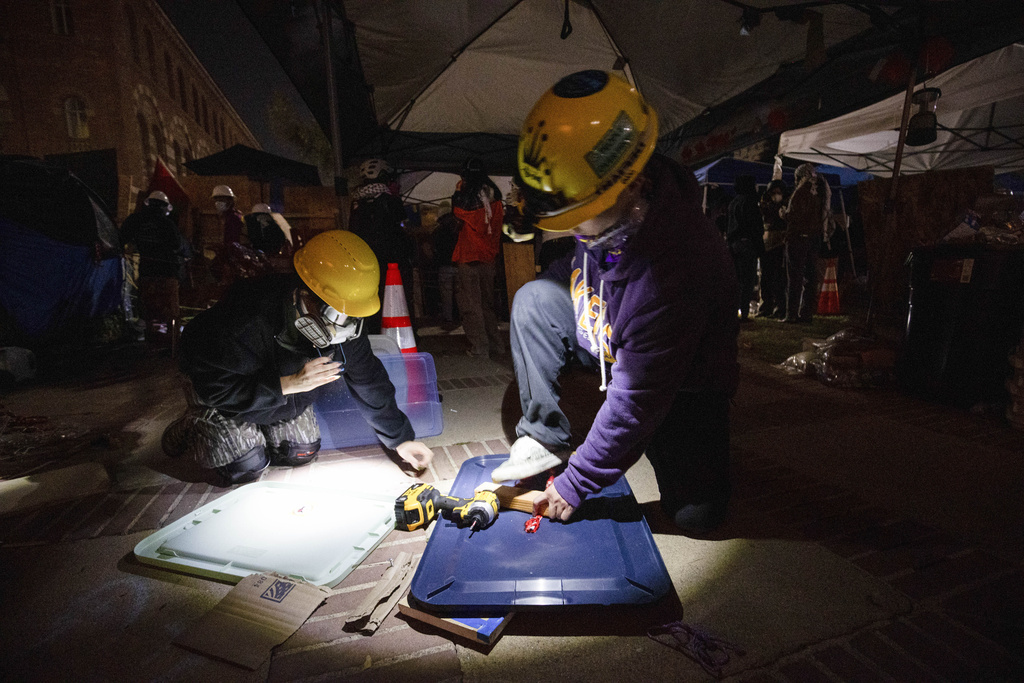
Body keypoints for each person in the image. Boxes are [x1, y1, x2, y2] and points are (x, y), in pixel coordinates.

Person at [498, 70, 739, 535]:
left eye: (579, 218)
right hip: (619, 339)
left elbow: (636, 401)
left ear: (631, 190)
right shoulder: (613, 206)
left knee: (698, 518)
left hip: (685, 385)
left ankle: (661, 441)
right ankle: (545, 434)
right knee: (534, 299)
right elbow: (576, 265)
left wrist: (577, 481)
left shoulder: (677, 268)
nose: (573, 229)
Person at [162, 230, 434, 486]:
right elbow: (216, 387)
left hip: (279, 394)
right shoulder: (246, 319)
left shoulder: (347, 326)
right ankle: (190, 425)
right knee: (244, 464)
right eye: (337, 314)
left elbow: (368, 380)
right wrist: (288, 384)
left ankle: (259, 432)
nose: (345, 327)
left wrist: (400, 439)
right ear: (305, 296)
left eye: (355, 316)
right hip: (217, 388)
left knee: (299, 451)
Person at [349, 158, 415, 335]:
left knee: (372, 303)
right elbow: (404, 230)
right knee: (400, 301)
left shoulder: (357, 203)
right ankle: (406, 337)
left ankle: (374, 335)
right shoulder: (390, 201)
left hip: (367, 265)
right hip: (393, 264)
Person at [451, 158, 504, 357]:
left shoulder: (465, 195)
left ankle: (479, 347)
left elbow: (457, 215)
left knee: (470, 304)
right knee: (487, 304)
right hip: (488, 255)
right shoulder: (494, 194)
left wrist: (457, 192)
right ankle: (496, 345)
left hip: (469, 254)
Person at [120, 191, 188, 343]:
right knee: (169, 308)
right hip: (167, 273)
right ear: (165, 207)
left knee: (148, 305)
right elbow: (177, 245)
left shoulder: (136, 220)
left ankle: (149, 338)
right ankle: (172, 342)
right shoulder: (167, 224)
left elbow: (122, 237)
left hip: (146, 271)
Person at [782, 164, 830, 324]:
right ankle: (807, 313)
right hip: (814, 238)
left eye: (796, 177)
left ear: (801, 176)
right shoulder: (821, 190)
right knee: (811, 278)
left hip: (798, 239)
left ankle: (791, 314)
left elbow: (796, 216)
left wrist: (784, 214)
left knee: (794, 277)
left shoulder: (801, 192)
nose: (795, 181)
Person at [725, 174, 765, 321]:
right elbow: (755, 227)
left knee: (736, 280)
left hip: (733, 245)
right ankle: (744, 313)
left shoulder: (733, 202)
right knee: (747, 281)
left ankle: (733, 312)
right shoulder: (749, 202)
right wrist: (760, 248)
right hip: (747, 245)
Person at [759, 179, 788, 319]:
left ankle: (779, 307)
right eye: (773, 193)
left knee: (779, 279)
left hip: (779, 246)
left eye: (779, 193)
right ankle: (766, 306)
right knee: (765, 278)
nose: (776, 195)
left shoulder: (785, 207)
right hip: (767, 246)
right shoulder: (764, 206)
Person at [432, 207, 461, 332]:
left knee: (446, 296)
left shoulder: (438, 231)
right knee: (461, 294)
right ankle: (461, 316)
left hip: (444, 266)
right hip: (459, 265)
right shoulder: (459, 228)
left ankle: (448, 319)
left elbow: (433, 249)